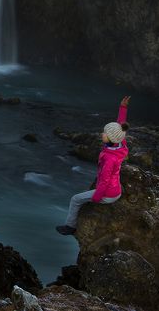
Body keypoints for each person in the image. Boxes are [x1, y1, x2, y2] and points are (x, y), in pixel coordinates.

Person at [55, 95, 130, 236]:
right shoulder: (121, 145)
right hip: (116, 189)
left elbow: (104, 180)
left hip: (108, 194)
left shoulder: (109, 158)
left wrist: (96, 197)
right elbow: (121, 126)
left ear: (111, 138)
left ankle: (70, 226)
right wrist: (123, 108)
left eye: (105, 133)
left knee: (75, 199)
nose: (102, 134)